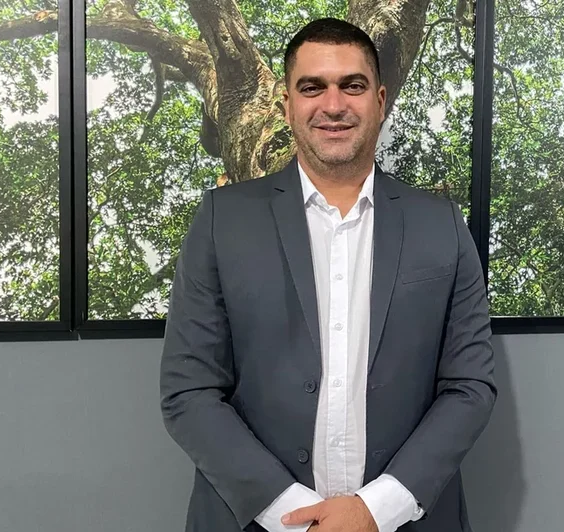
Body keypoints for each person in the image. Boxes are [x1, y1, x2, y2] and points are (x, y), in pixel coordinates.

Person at [159, 17, 496, 532]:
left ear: (379, 101)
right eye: (312, 87)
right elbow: (189, 390)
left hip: (406, 522)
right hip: (254, 522)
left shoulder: (442, 225)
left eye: (352, 86)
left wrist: (373, 510)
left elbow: (470, 386)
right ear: (288, 104)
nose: (333, 105)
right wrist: (293, 516)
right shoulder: (222, 221)